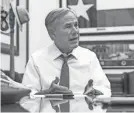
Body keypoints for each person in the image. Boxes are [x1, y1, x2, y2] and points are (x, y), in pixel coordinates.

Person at [22, 8, 111, 108]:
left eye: (76, 25)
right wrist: (45, 94)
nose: (75, 31)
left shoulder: (90, 57)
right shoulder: (36, 59)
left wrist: (95, 92)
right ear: (52, 34)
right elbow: (26, 98)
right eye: (68, 26)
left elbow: (105, 89)